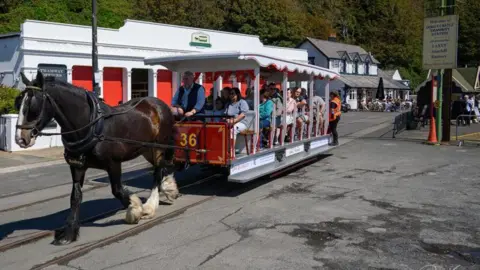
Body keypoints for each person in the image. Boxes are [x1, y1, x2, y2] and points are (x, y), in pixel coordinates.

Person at [224, 87, 250, 153]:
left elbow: (242, 115)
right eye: (230, 94)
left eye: (233, 93)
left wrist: (233, 121)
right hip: (230, 122)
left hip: (242, 123)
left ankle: (231, 151)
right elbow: (225, 115)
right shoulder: (228, 104)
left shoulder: (242, 102)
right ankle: (222, 149)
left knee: (233, 129)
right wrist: (225, 120)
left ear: (237, 94)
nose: (231, 95)